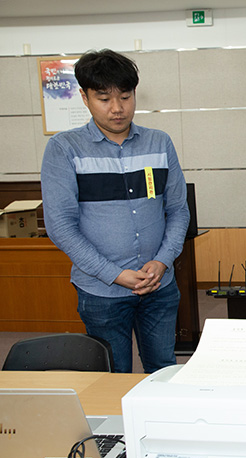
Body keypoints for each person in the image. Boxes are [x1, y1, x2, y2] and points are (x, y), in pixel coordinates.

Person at [41, 49, 190, 373]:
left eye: (125, 96)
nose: (118, 108)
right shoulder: (65, 149)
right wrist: (115, 274)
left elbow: (178, 210)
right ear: (84, 97)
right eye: (104, 98)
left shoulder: (159, 143)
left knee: (163, 370)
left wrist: (163, 261)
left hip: (159, 287)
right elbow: (61, 226)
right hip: (101, 292)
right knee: (111, 376)